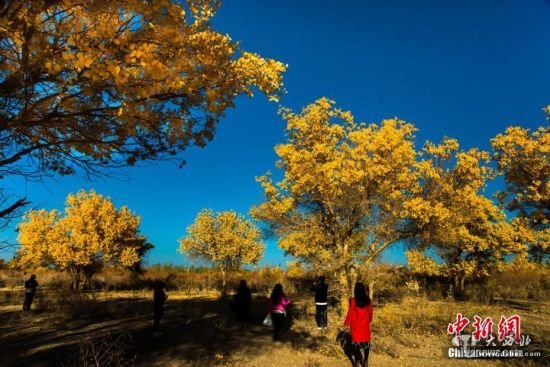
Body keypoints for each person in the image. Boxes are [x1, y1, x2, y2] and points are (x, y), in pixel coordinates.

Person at [344, 283, 373, 367]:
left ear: (355, 290)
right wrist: (369, 320)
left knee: (356, 344)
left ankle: (356, 362)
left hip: (356, 326)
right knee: (366, 343)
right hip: (365, 325)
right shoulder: (368, 301)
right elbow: (370, 313)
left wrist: (346, 324)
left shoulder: (353, 300)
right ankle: (365, 362)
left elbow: (350, 312)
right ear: (364, 290)